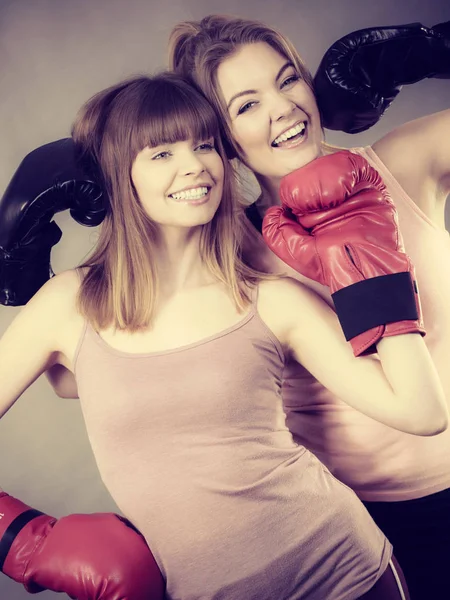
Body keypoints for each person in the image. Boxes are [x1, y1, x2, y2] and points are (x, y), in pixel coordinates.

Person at [2, 71, 446, 600]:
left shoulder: (271, 299)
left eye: (205, 145)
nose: (194, 166)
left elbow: (423, 413)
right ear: (120, 175)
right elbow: (84, 381)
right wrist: (21, 541)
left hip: (348, 572)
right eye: (161, 153)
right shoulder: (69, 305)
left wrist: (376, 272)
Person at [168, 14, 450, 600]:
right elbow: (78, 375)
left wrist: (430, 49)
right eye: (246, 105)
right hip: (369, 527)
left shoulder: (400, 163)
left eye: (288, 80)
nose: (284, 109)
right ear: (217, 137)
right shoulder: (227, 258)